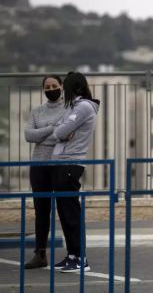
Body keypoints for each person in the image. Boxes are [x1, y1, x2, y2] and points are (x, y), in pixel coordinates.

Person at [48, 71, 100, 273]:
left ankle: (81, 259)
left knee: (71, 214)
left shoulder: (84, 107)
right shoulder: (73, 107)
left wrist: (62, 131)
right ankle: (72, 255)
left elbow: (59, 132)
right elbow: (59, 131)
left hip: (70, 163)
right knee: (64, 212)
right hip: (61, 163)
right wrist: (61, 130)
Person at [23, 75, 66, 269]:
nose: (51, 89)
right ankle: (40, 254)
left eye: (54, 85)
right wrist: (51, 129)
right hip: (39, 165)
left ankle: (74, 254)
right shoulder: (37, 111)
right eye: (47, 87)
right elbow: (28, 135)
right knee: (41, 210)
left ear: (62, 87)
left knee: (66, 209)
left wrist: (44, 134)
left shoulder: (68, 109)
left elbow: (64, 135)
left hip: (60, 164)